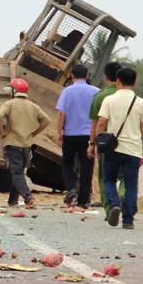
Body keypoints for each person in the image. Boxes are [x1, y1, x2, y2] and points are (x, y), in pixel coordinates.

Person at [95, 65, 143, 229]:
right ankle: (128, 220)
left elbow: (101, 122)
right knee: (131, 185)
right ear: (134, 83)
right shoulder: (141, 102)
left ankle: (114, 205)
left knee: (109, 180)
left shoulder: (109, 100)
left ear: (118, 81)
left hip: (112, 149)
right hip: (133, 150)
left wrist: (97, 144)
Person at [0, 79, 51, 208]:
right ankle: (13, 201)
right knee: (19, 171)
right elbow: (46, 120)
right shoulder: (33, 106)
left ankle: (28, 197)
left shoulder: (9, 103)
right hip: (27, 145)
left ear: (15, 91)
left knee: (16, 173)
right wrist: (34, 133)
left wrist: (2, 133)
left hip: (12, 143)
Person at [55, 64, 99, 207]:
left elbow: (61, 113)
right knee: (87, 167)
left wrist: (59, 132)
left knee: (67, 163)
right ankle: (83, 201)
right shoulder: (95, 92)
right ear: (87, 76)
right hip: (88, 136)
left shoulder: (66, 91)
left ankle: (71, 189)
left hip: (70, 134)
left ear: (72, 76)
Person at [87, 62, 125, 221]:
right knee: (124, 176)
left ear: (105, 77)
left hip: (106, 144)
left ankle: (110, 208)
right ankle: (123, 195)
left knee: (105, 178)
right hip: (126, 143)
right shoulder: (131, 98)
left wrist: (92, 144)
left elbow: (96, 123)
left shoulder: (100, 97)